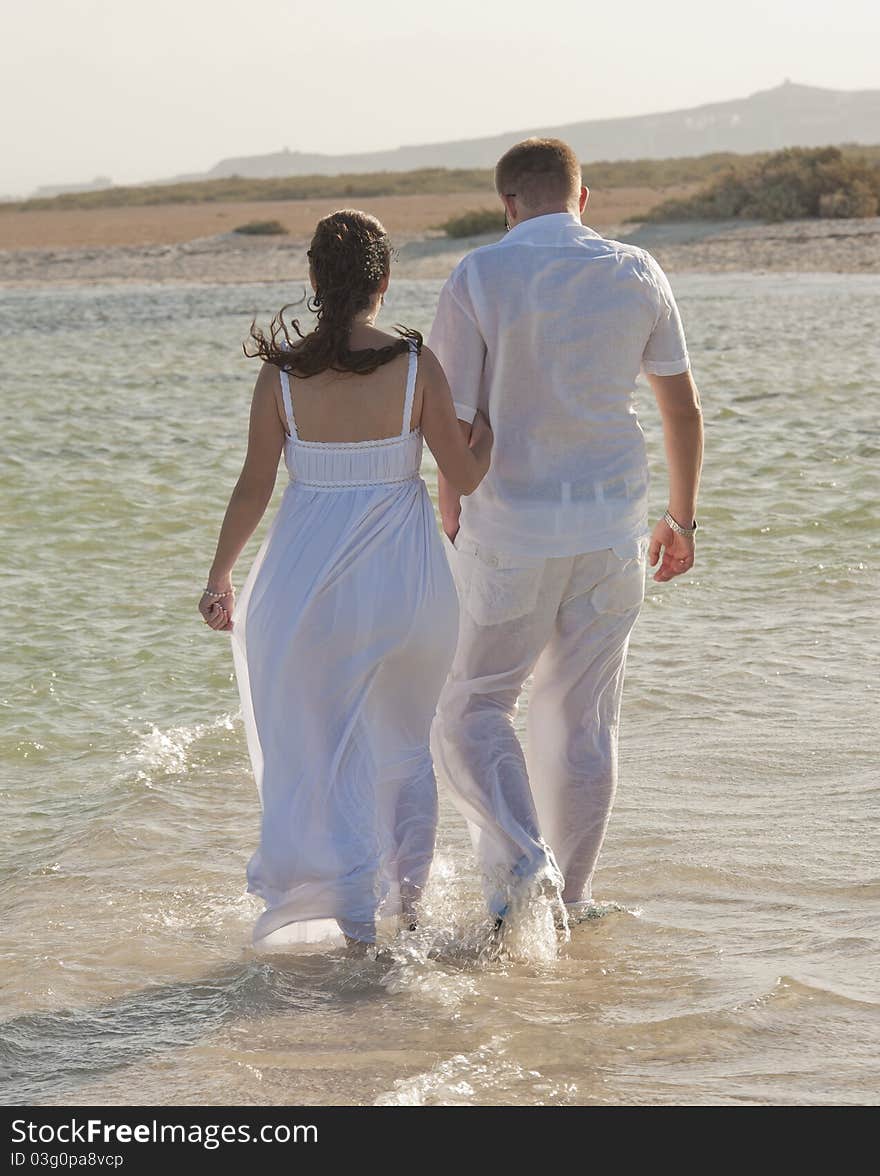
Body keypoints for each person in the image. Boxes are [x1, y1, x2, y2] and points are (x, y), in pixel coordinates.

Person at [198, 209, 492, 950]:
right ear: (383, 283)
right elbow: (465, 476)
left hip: (309, 595)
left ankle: (353, 920)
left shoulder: (282, 375)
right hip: (409, 589)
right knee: (404, 747)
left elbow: (253, 486)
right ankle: (413, 913)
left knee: (323, 754)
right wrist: (485, 431)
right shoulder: (416, 365)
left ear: (314, 283)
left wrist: (221, 575)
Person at [428, 138, 703, 925]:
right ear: (585, 198)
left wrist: (450, 505)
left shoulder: (479, 273)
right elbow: (681, 409)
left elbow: (459, 422)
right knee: (581, 717)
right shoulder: (637, 269)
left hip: (510, 525)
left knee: (472, 707)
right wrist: (681, 520)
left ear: (507, 204)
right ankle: (572, 901)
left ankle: (522, 859)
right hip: (613, 526)